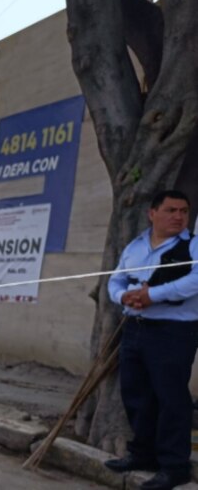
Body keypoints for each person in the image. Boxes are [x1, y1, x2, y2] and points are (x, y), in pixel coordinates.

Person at [103, 190, 198, 490]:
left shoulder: (193, 245)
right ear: (152, 213)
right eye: (171, 210)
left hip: (173, 331)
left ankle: (174, 466)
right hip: (136, 328)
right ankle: (143, 454)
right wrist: (123, 296)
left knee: (171, 398)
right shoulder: (135, 246)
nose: (178, 216)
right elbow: (116, 278)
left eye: (183, 211)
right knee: (136, 394)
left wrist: (152, 295)